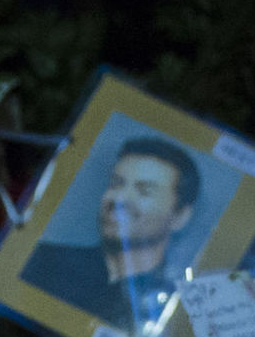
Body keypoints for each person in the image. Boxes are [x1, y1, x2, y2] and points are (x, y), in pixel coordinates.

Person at [23, 136, 203, 326]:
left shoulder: (175, 310)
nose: (119, 198)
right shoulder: (42, 260)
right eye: (116, 184)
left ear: (180, 216)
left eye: (145, 191)